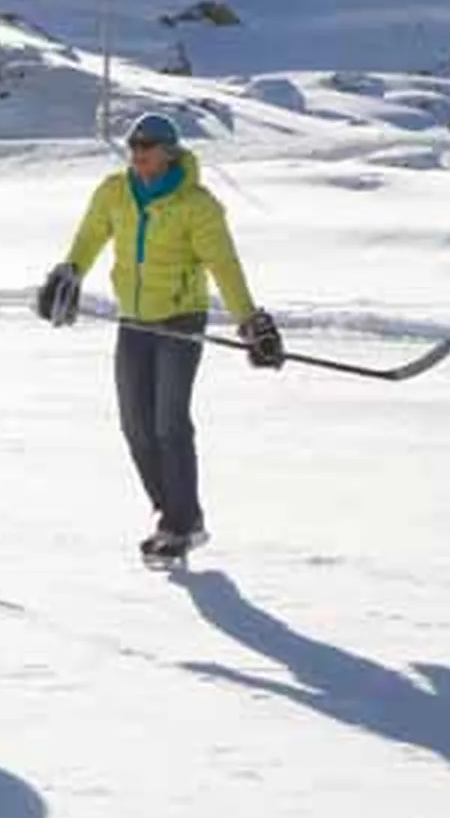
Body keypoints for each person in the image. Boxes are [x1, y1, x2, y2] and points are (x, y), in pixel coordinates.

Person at [33, 112, 283, 560]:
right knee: (135, 425)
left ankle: (180, 523)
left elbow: (223, 265)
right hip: (134, 321)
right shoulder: (115, 192)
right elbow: (90, 236)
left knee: (169, 423)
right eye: (133, 149)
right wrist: (69, 272)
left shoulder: (197, 205)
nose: (139, 157)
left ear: (169, 152)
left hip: (180, 320)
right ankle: (173, 512)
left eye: (147, 150)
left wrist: (249, 320)